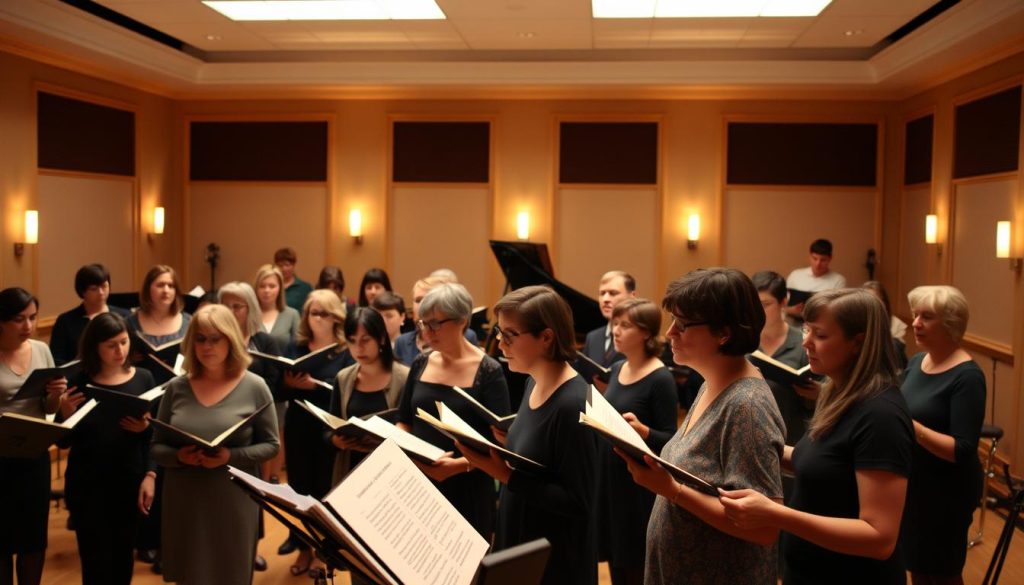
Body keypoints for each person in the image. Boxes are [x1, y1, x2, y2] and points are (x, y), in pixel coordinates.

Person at [719, 288, 914, 585]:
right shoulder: (840, 395)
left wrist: (775, 514)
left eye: (820, 335)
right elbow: (815, 463)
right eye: (807, 329)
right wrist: (738, 440)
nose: (806, 341)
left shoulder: (880, 416)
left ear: (857, 343)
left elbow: (879, 538)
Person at [619, 268, 784, 585]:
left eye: (681, 325)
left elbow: (763, 528)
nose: (669, 334)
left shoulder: (746, 405)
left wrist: (672, 490)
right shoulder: (713, 384)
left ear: (723, 333)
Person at [461, 285, 597, 585]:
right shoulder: (532, 384)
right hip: (522, 543)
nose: (499, 343)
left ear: (546, 337)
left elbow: (578, 502)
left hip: (554, 564)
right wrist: (509, 446)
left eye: (509, 335)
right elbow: (546, 464)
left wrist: (505, 474)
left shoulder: (575, 403)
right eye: (499, 332)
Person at [149, 304, 279, 585]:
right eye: (200, 338)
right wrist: (180, 456)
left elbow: (271, 445)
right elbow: (157, 447)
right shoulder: (177, 387)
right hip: (185, 498)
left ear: (230, 339)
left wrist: (229, 456)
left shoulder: (255, 386)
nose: (207, 346)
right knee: (189, 575)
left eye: (215, 339)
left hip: (232, 498)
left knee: (229, 574)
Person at [396, 283, 510, 538]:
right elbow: (404, 420)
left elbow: (498, 442)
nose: (428, 331)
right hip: (419, 479)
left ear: (462, 321)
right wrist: (399, 443)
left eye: (436, 323)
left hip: (468, 486)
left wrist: (456, 467)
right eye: (424, 324)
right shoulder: (421, 362)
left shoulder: (489, 371)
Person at [59, 313, 154, 585]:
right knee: (94, 563)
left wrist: (150, 474)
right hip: (87, 485)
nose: (120, 350)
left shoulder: (144, 379)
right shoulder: (78, 381)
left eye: (124, 342)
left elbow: (153, 436)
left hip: (128, 480)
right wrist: (64, 414)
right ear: (95, 347)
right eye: (111, 345)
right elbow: (64, 442)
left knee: (123, 560)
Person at [900, 286, 985, 585]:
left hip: (947, 494)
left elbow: (962, 450)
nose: (916, 323)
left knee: (943, 575)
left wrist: (914, 428)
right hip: (916, 486)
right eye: (915, 315)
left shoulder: (968, 377)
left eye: (927, 317)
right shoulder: (916, 362)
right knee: (920, 571)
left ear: (950, 323)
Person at [597, 298, 677, 585]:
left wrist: (644, 431)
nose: (616, 330)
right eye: (615, 323)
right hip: (611, 480)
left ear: (645, 333)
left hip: (639, 487)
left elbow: (671, 440)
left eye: (625, 325)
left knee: (635, 568)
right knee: (616, 564)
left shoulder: (661, 378)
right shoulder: (618, 368)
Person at [277, 289, 353, 575]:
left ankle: (325, 553)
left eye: (322, 312)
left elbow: (344, 389)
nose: (316, 318)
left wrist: (314, 385)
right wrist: (289, 384)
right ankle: (303, 549)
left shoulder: (343, 351)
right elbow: (279, 388)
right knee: (299, 490)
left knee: (325, 490)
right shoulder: (295, 347)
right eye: (312, 312)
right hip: (298, 427)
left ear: (335, 317)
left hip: (327, 429)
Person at [0, 288, 66, 585]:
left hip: (33, 456)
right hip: (0, 459)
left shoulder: (41, 350)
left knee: (32, 540)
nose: (28, 326)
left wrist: (56, 395)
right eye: (19, 319)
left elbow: (48, 408)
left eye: (33, 318)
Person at [329, 308, 410, 480]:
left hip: (391, 470)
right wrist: (336, 440)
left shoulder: (404, 377)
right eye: (352, 341)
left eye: (366, 340)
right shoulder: (343, 378)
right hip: (351, 470)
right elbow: (329, 429)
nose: (359, 347)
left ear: (381, 338)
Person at [751, 270, 814, 447]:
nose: (758, 312)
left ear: (783, 302)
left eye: (765, 304)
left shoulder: (804, 343)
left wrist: (817, 392)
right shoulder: (745, 342)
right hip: (751, 437)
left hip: (792, 437)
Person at [49, 263, 131, 365]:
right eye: (94, 289)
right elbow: (57, 360)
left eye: (104, 286)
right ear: (82, 292)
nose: (101, 292)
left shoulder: (125, 316)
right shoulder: (65, 321)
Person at [127, 265, 191, 386]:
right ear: (148, 289)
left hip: (179, 388)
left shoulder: (190, 323)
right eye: (160, 285)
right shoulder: (129, 323)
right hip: (141, 387)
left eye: (171, 286)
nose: (166, 290)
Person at [393, 276, 478, 365]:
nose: (422, 306)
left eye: (426, 300)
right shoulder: (402, 341)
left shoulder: (466, 336)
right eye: (418, 300)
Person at [578, 271, 636, 390]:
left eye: (613, 293)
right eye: (602, 293)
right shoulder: (592, 337)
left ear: (632, 296)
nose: (605, 299)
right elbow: (583, 379)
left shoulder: (639, 335)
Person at [785, 239, 847, 320]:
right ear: (810, 256)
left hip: (821, 323)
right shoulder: (795, 275)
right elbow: (782, 305)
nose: (818, 264)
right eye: (815, 258)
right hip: (793, 321)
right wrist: (790, 310)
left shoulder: (838, 280)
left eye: (823, 260)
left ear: (830, 258)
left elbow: (839, 310)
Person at [862, 281, 909, 372]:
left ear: (885, 303)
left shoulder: (895, 324)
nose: (874, 305)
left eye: (878, 300)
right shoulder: (854, 322)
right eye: (869, 300)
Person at [254, 264, 301, 351]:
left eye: (272, 286)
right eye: (262, 286)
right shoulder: (250, 315)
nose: (267, 290)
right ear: (256, 288)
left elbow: (299, 349)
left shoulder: (292, 315)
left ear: (280, 288)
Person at [274, 247, 313, 313]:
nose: (284, 269)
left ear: (293, 265)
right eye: (280, 265)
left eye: (287, 265)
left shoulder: (305, 288)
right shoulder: (272, 286)